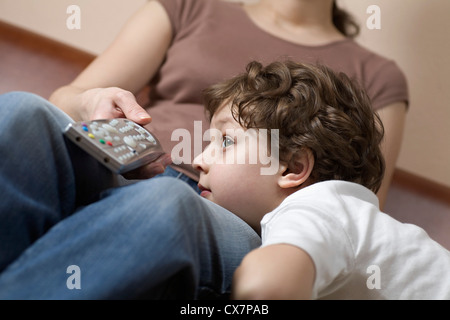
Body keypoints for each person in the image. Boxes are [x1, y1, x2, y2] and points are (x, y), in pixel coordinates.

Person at [0, 0, 407, 299]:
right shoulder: (189, 6)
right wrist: (90, 104)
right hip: (133, 170)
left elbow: (355, 211)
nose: (198, 154)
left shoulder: (378, 75)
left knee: (165, 201)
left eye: (225, 139)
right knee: (21, 110)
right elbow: (64, 102)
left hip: (240, 221)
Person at [193, 60, 450, 299]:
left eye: (226, 141)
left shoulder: (316, 208)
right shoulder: (346, 213)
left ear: (292, 167)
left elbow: (265, 286)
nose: (198, 160)